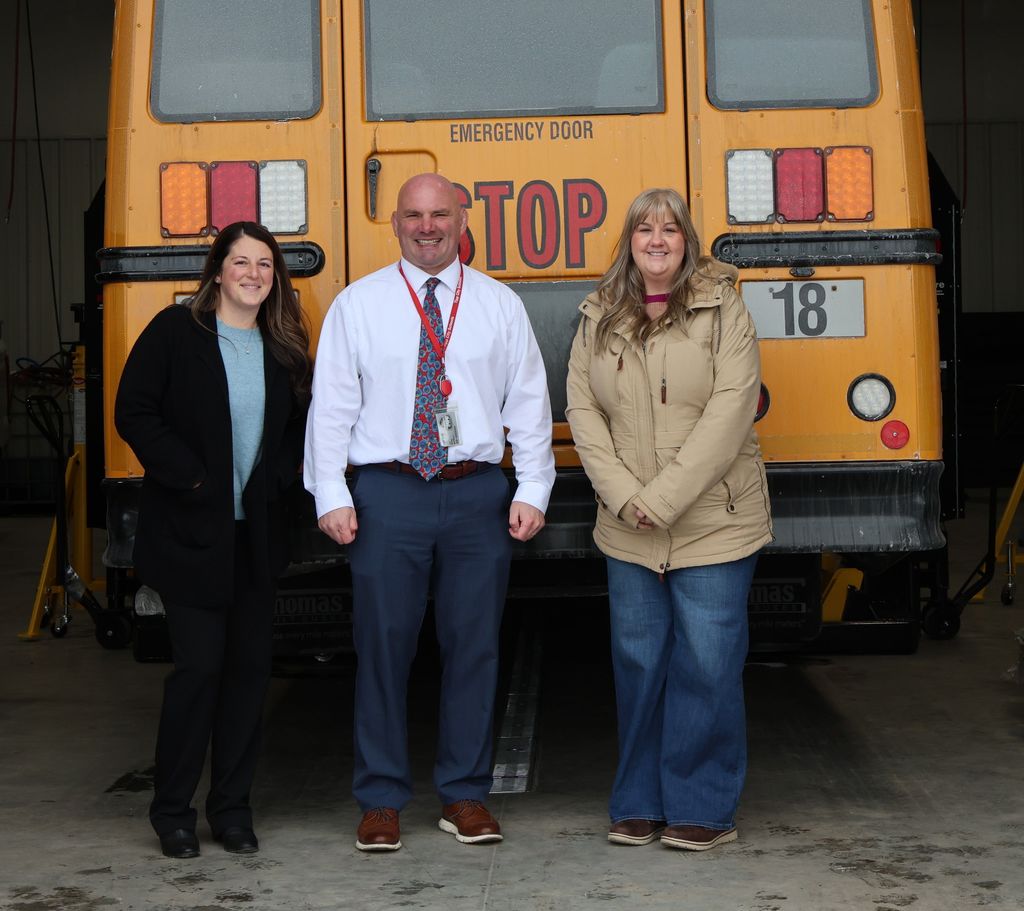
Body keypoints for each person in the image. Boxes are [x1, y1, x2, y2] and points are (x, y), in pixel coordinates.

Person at [304, 173, 554, 852]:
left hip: (477, 494)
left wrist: (533, 487)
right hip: (388, 491)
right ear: (395, 221)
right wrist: (331, 491)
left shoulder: (499, 305)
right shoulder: (359, 305)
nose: (427, 225)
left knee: (473, 644)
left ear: (461, 218)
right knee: (384, 646)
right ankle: (381, 797)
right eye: (414, 214)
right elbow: (331, 405)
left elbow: (528, 401)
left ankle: (465, 793)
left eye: (439, 213)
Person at [565, 188, 772, 852]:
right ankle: (639, 801)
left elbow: (732, 410)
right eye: (644, 228)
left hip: (714, 521)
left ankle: (702, 807)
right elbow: (583, 413)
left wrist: (664, 497)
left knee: (706, 664)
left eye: (670, 228)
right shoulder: (598, 315)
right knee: (639, 662)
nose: (657, 239)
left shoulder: (724, 308)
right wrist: (627, 496)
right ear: (629, 241)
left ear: (688, 241)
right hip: (628, 524)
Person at [115, 221, 311, 859]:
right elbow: (133, 409)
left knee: (249, 676)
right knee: (199, 672)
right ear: (218, 271)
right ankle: (172, 811)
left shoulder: (281, 346)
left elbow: (297, 430)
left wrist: (277, 480)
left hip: (254, 540)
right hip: (190, 537)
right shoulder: (177, 334)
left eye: (265, 264)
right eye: (241, 262)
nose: (254, 274)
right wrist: (193, 477)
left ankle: (231, 810)